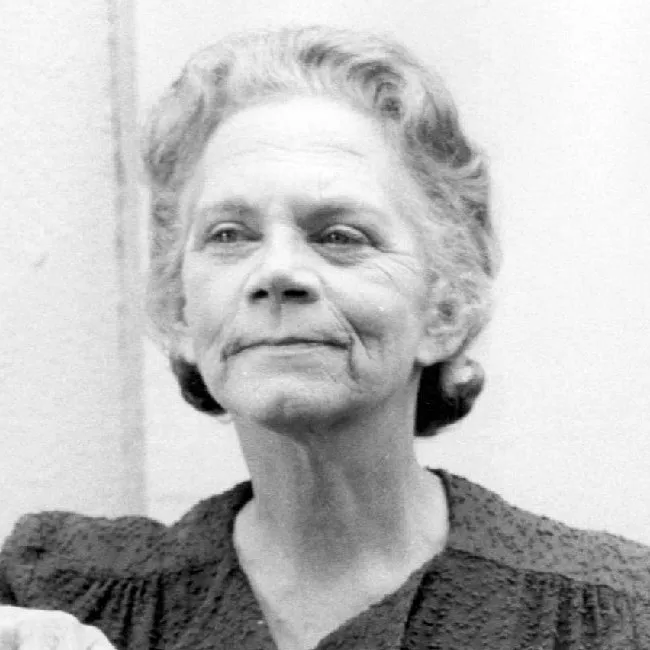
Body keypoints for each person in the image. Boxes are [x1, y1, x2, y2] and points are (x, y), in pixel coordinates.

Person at [1, 25, 649, 650]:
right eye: (229, 235)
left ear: (446, 306)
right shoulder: (60, 597)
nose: (277, 272)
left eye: (340, 235)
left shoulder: (611, 620)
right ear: (178, 308)